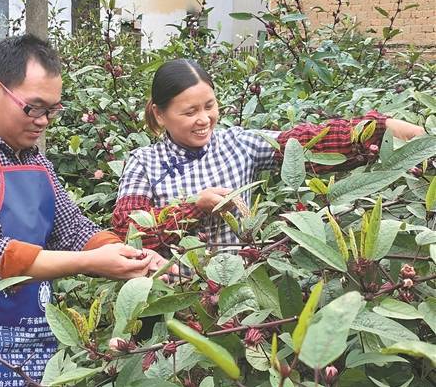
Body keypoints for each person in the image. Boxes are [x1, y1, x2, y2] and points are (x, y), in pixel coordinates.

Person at [0, 34, 174, 387]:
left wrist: (131, 256)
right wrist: (89, 263)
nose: (44, 120)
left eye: (53, 110)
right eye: (34, 107)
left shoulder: (36, 161)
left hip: (30, 351)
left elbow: (72, 228)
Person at [112, 58, 425, 254]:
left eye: (210, 106)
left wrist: (382, 129)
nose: (204, 119)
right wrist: (194, 206)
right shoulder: (144, 163)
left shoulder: (237, 143)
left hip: (244, 290)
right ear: (160, 114)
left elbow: (301, 144)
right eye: (190, 111)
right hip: (178, 296)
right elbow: (130, 236)